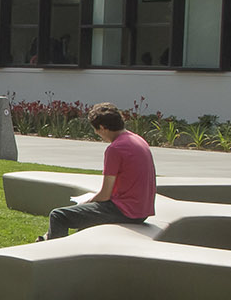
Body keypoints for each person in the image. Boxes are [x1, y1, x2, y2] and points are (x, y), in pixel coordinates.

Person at [43, 102, 157, 239]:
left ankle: (55, 254)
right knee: (84, 218)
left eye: (96, 130)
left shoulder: (115, 149)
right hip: (141, 211)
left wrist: (86, 201)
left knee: (58, 215)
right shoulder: (138, 140)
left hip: (125, 211)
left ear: (103, 127)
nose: (98, 134)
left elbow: (105, 195)